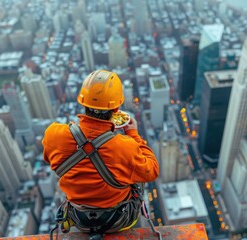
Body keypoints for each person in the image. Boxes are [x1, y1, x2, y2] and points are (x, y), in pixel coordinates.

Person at [42, 69, 159, 234]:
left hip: (79, 218)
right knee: (135, 169)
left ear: (83, 103)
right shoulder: (125, 146)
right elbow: (152, 170)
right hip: (118, 219)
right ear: (117, 108)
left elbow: (49, 159)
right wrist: (133, 134)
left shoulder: (53, 134)